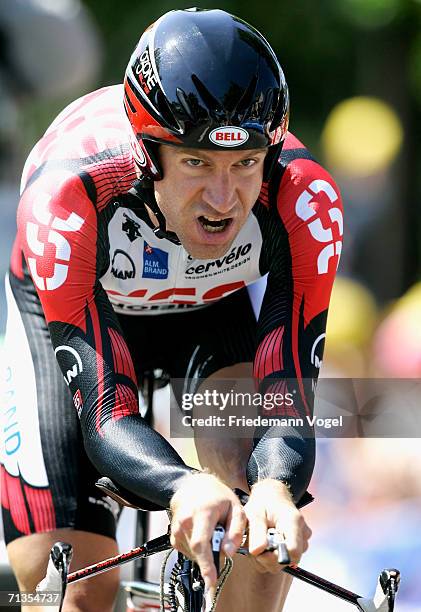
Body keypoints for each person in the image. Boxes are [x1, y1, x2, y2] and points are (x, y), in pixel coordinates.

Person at [1, 8, 343, 612]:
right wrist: (183, 484)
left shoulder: (304, 197)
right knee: (72, 590)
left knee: (259, 543)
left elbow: (288, 388)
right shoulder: (69, 196)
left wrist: (273, 486)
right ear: (145, 150)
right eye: (195, 162)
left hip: (214, 312)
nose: (222, 197)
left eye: (244, 164)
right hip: (86, 315)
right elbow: (105, 412)